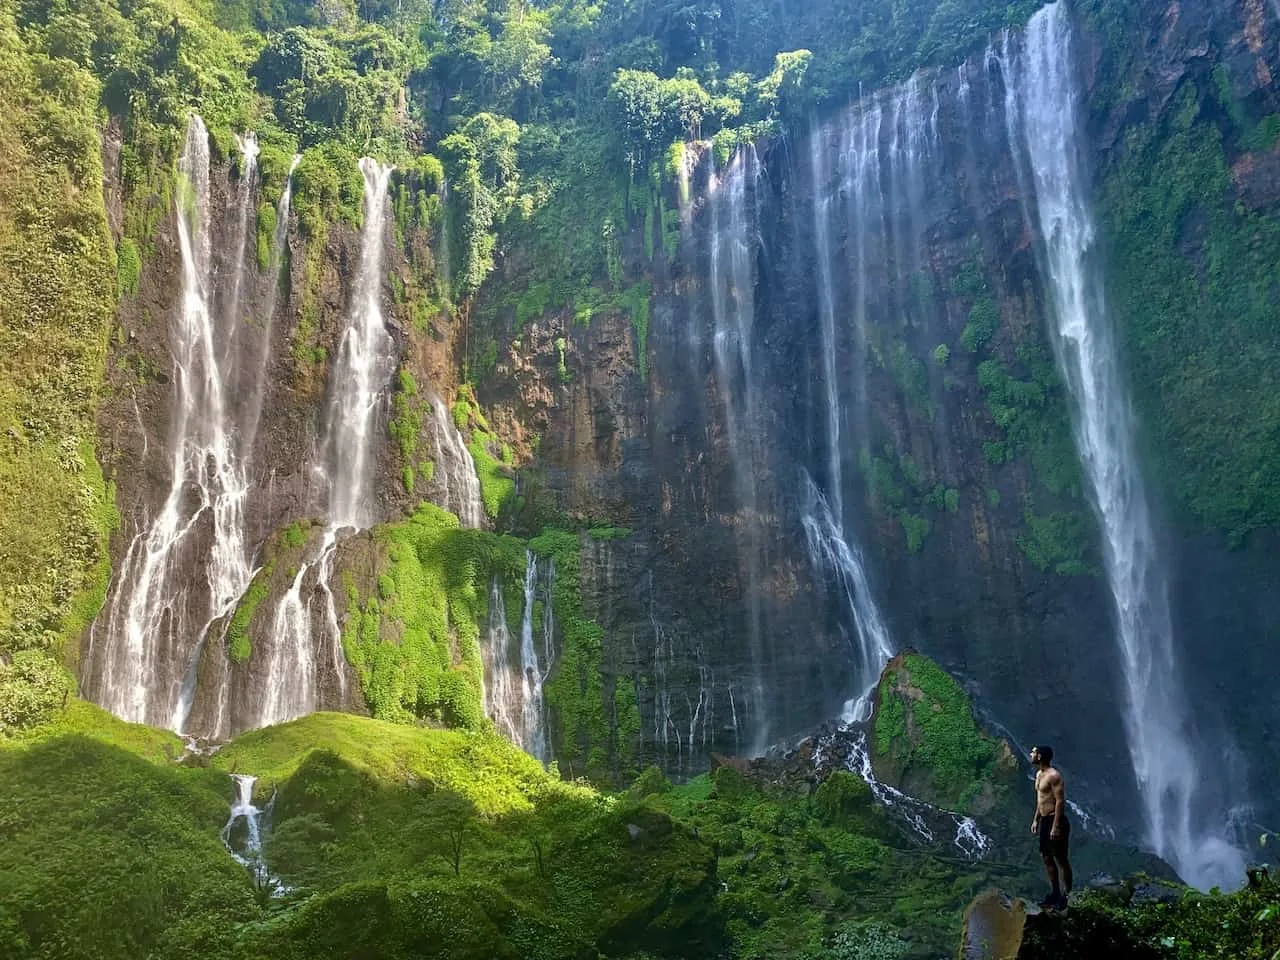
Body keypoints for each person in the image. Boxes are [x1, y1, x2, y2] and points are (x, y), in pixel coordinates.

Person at [1029, 744, 1071, 910]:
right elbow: (1041, 800)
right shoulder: (1039, 774)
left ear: (1039, 756)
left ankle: (1067, 896)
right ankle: (1055, 893)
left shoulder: (1054, 776)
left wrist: (1056, 826)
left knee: (1061, 859)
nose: (1030, 754)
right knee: (1047, 858)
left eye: (1033, 752)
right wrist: (1036, 820)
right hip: (1045, 820)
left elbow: (1060, 801)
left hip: (1056, 820)